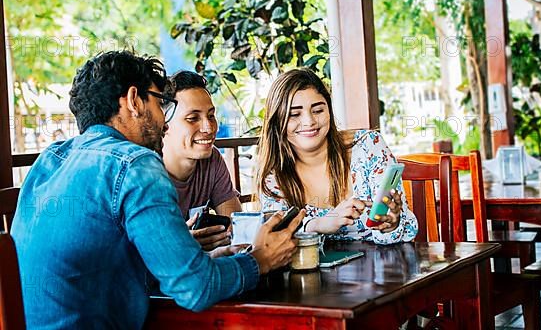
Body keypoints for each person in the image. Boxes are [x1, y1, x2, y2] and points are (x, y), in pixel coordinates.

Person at [11, 51, 304, 329]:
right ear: (134, 100)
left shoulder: (48, 160)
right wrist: (260, 260)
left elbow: (93, 266)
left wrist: (192, 261)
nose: (164, 118)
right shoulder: (136, 164)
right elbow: (197, 290)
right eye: (161, 103)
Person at [256, 68, 417, 244]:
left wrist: (391, 225)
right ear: (276, 120)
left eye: (317, 110)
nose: (309, 121)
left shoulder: (368, 146)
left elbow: (404, 230)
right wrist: (318, 224)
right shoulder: (274, 179)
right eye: (294, 114)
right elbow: (275, 239)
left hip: (380, 266)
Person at [162, 70, 240, 251]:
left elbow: (235, 225)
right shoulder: (144, 170)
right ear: (164, 124)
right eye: (192, 118)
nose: (209, 128)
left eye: (211, 115)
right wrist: (181, 246)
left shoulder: (212, 159)